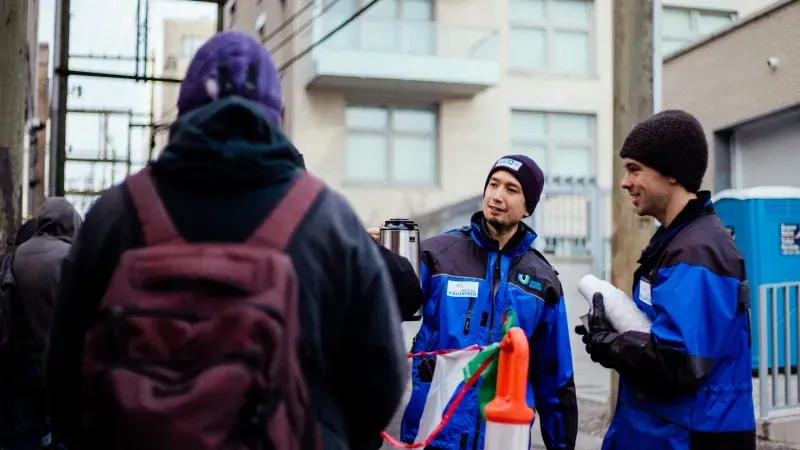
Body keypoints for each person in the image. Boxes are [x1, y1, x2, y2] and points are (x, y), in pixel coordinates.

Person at [45, 31, 407, 450]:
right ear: (276, 116)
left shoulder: (116, 213)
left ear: (183, 112)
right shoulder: (327, 219)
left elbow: (63, 374)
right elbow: (382, 377)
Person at [575, 110, 755, 450]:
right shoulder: (678, 241)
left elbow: (679, 360)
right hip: (663, 431)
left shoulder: (697, 250)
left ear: (671, 172)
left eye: (634, 169)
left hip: (687, 435)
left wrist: (609, 344)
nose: (625, 182)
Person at [389, 155, 577, 450]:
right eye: (493, 184)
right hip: (434, 434)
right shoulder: (436, 255)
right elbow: (383, 310)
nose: (497, 196)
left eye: (511, 189)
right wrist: (372, 257)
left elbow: (555, 379)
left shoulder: (543, 281)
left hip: (503, 437)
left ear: (528, 208)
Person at [4, 199, 81, 450]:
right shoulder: (71, 257)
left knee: (25, 429)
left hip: (24, 359)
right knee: (65, 431)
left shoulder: (18, 255)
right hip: (64, 362)